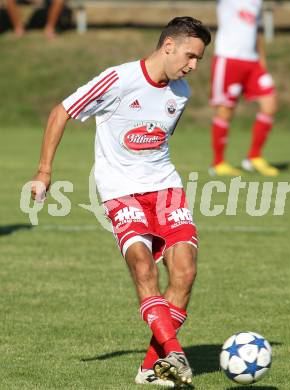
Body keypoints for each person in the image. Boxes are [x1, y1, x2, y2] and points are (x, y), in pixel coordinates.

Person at [31, 16, 211, 387]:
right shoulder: (118, 79)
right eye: (191, 56)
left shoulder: (181, 93)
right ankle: (174, 353)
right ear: (168, 46)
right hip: (119, 191)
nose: (193, 65)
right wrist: (44, 173)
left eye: (199, 59)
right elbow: (61, 112)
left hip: (165, 187)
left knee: (185, 272)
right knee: (143, 268)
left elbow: (157, 142)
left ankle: (152, 367)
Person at [209, 0, 279, 177]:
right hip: (229, 58)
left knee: (270, 105)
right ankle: (218, 163)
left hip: (253, 62)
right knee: (226, 111)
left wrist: (262, 60)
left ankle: (254, 157)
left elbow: (256, 30)